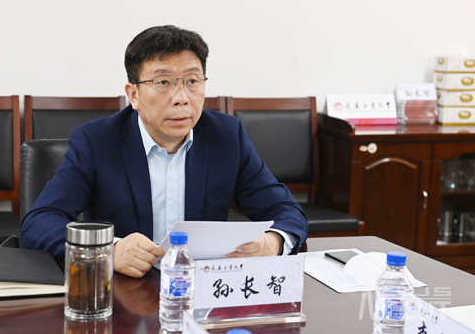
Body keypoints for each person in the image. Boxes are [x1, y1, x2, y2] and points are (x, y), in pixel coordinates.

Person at [20, 25, 308, 278]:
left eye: (192, 81)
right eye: (163, 82)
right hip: (125, 292)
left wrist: (273, 242)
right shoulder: (96, 142)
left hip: (201, 289)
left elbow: (285, 209)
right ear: (134, 94)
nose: (181, 98)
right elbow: (38, 223)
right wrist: (108, 251)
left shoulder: (227, 136)